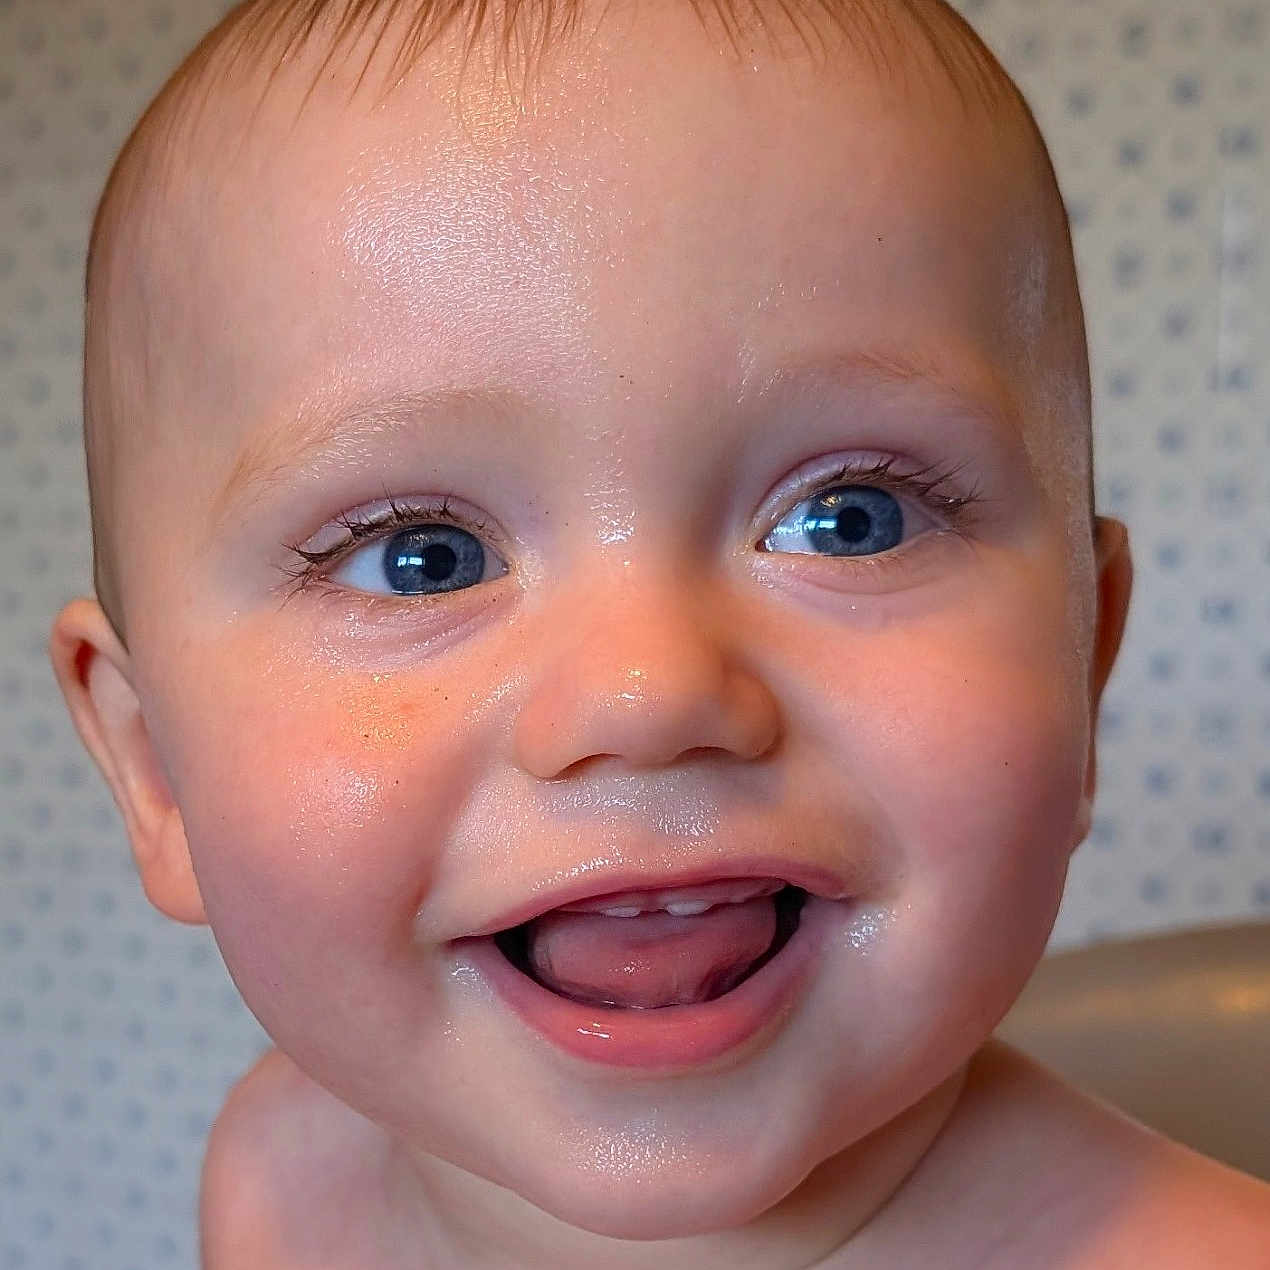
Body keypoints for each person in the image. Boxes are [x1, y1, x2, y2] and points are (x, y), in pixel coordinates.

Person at [47, 0, 1270, 1264]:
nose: (647, 691)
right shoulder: (278, 1188)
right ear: (154, 771)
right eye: (423, 557)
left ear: (1085, 670)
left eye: (848, 519)